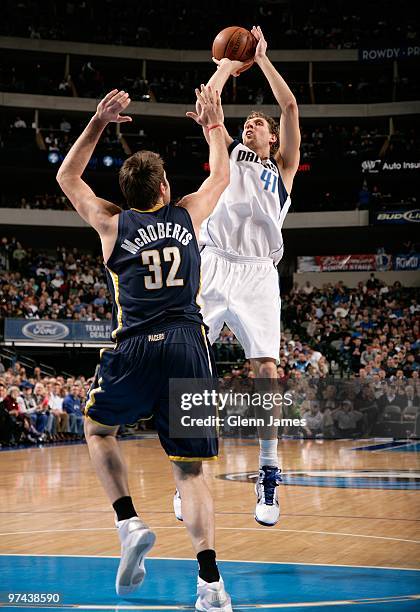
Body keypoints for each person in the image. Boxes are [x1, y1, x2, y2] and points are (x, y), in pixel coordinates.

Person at [57, 87, 233, 610]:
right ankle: (211, 585)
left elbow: (67, 177)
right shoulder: (185, 216)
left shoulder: (112, 222)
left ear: (128, 192)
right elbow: (221, 175)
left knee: (97, 429)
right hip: (187, 346)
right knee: (190, 470)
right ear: (163, 186)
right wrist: (212, 125)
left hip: (133, 344)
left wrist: (97, 121)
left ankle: (128, 520)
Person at [178, 25, 300, 526]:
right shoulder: (227, 152)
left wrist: (263, 60)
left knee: (267, 372)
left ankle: (268, 472)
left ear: (271, 138)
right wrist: (231, 63)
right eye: (246, 121)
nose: (251, 124)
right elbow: (211, 98)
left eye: (258, 123)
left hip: (258, 274)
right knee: (186, 361)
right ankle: (186, 470)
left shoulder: (284, 169)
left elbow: (289, 108)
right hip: (215, 260)